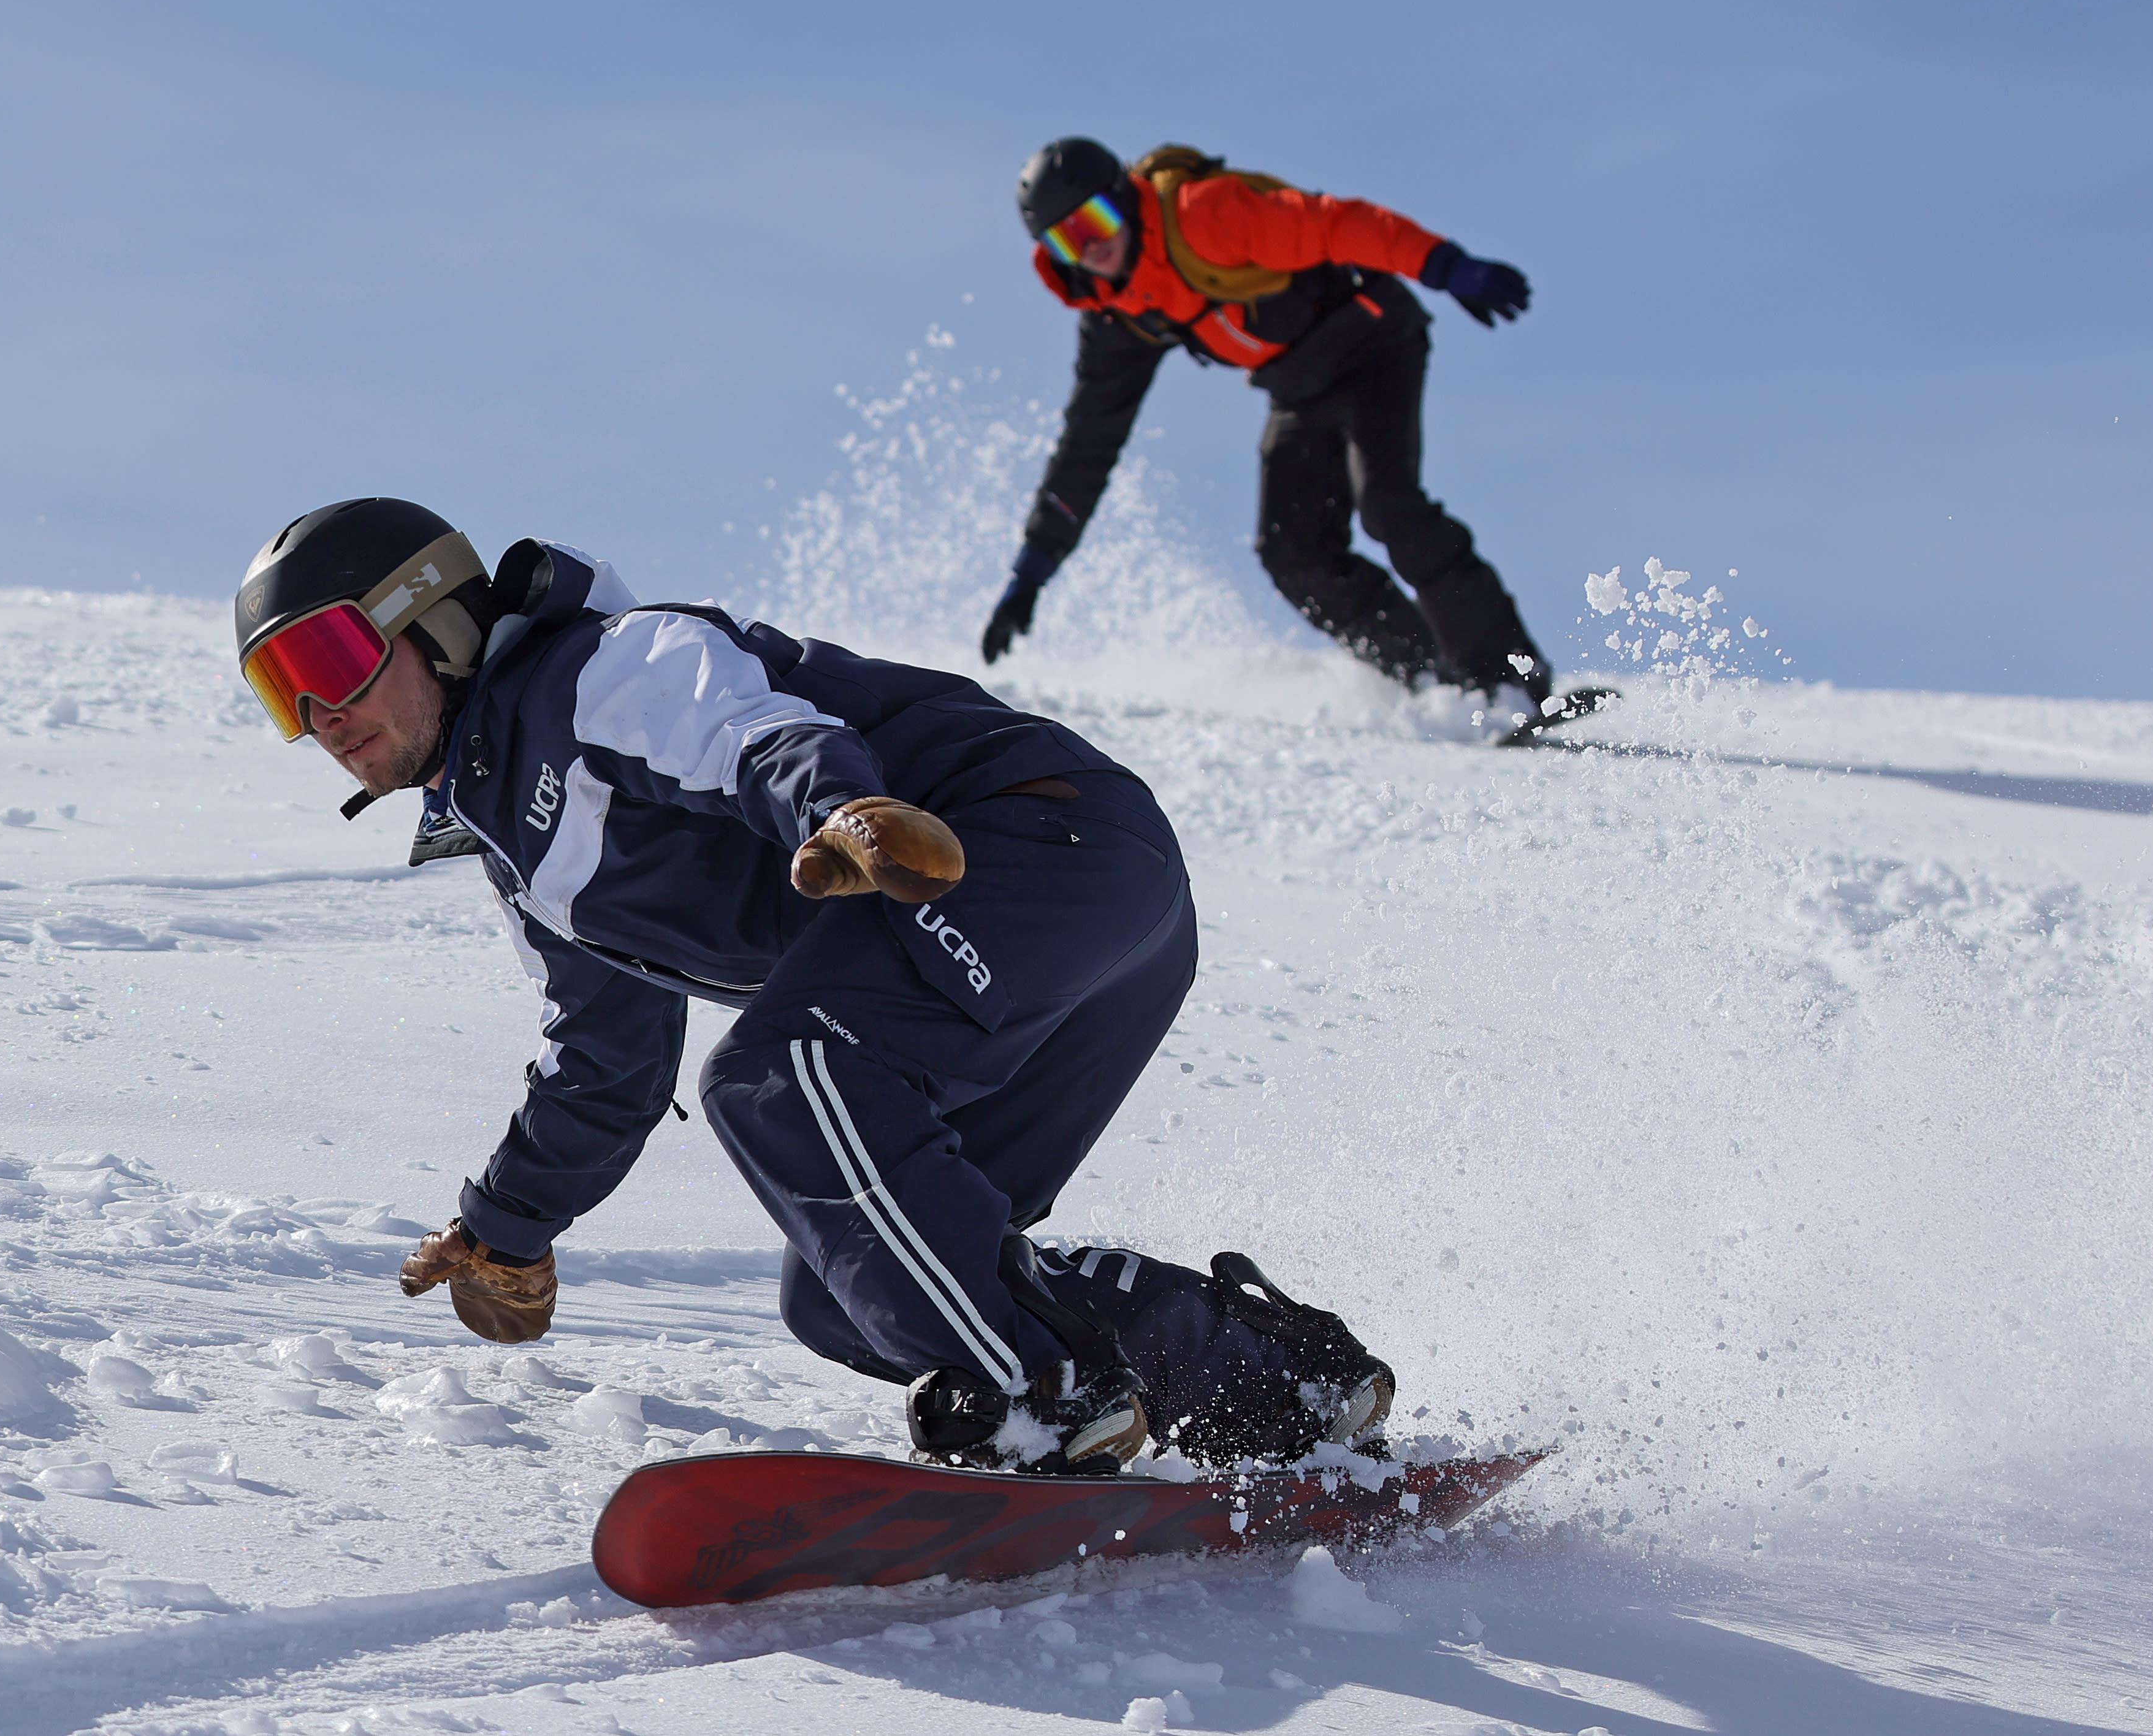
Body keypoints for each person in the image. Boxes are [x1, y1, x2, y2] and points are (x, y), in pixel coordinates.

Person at [232, 495, 1397, 1474]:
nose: (321, 713)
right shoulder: (529, 858)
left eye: (328, 658)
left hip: (1032, 845)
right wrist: (506, 1228)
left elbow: (748, 728)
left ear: (432, 616)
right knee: (853, 1288)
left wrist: (844, 809)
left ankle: (1040, 1394)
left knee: (783, 1074)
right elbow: (605, 1058)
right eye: (284, 691)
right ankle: (1276, 1387)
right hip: (1076, 941)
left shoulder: (595, 669)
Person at [983, 137, 1562, 729]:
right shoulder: (1119, 314)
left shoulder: (1204, 215)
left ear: (1124, 200)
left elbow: (1338, 225)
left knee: (1390, 506)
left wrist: (1445, 266)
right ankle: (1435, 682)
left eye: (1095, 221)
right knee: (1292, 552)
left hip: (1372, 342)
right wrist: (1033, 569)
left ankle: (1510, 682)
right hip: (1300, 386)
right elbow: (1089, 439)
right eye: (1067, 240)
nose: (1091, 247)